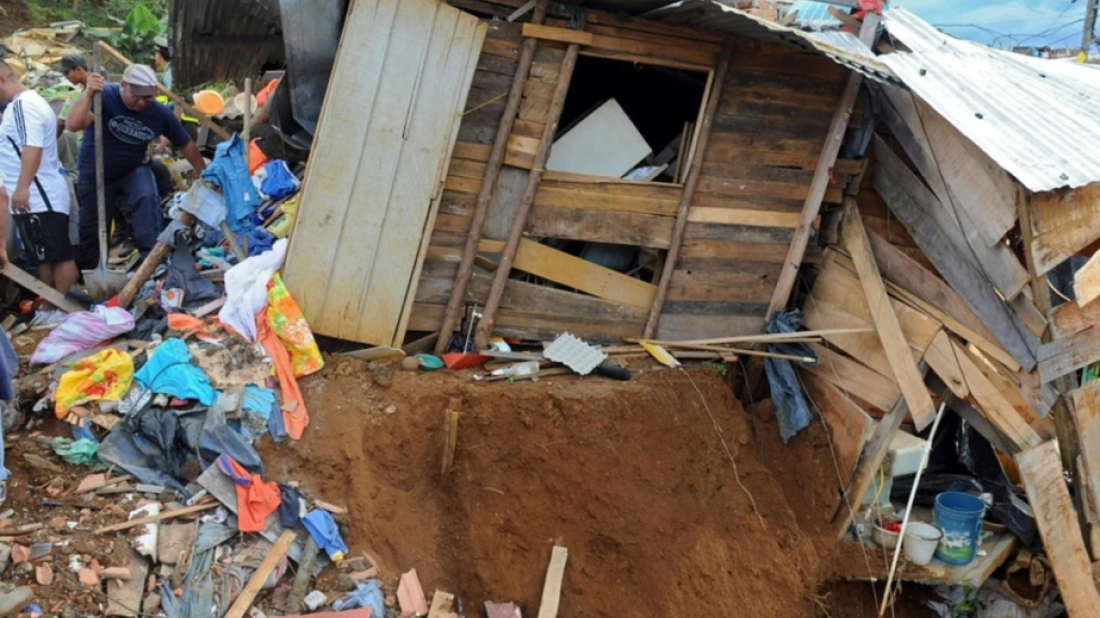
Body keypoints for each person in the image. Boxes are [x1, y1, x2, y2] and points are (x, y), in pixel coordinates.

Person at [65, 64, 206, 269]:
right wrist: (88, 93)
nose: (141, 103)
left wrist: (205, 174)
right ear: (123, 85)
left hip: (133, 169)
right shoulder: (103, 96)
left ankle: (153, 264)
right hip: (95, 171)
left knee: (147, 201)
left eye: (147, 97)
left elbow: (186, 143)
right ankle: (92, 271)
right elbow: (72, 124)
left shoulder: (159, 113)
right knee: (92, 225)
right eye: (136, 96)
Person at [0, 61, 79, 330]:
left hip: (37, 192)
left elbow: (31, 147)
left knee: (58, 253)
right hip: (36, 192)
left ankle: (59, 306)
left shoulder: (23, 105)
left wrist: (22, 187)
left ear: (2, 79)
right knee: (44, 254)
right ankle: (50, 304)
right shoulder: (25, 104)